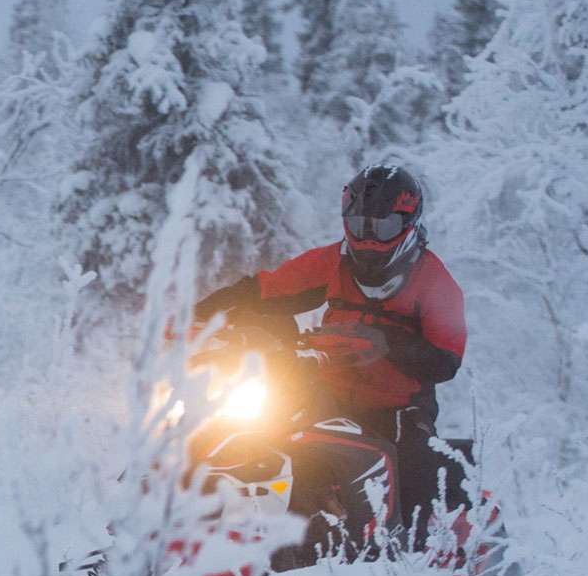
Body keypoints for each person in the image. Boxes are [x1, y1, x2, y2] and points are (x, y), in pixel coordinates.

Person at [193, 163, 466, 554]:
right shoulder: (331, 263)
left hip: (400, 410)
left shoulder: (436, 282)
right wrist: (205, 314)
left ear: (408, 225)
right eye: (360, 226)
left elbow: (447, 360)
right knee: (259, 437)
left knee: (417, 472)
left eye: (382, 228)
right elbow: (268, 289)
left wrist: (388, 342)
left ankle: (412, 568)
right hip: (330, 396)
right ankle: (249, 539)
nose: (369, 240)